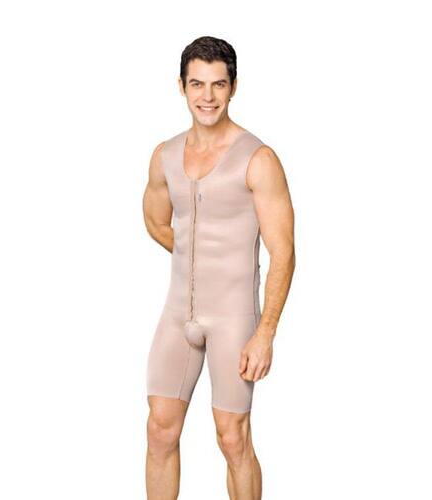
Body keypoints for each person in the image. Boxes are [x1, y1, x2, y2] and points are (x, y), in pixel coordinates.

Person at [142, 35, 295, 500]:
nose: (207, 96)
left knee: (233, 438)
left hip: (233, 320)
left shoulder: (258, 159)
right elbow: (156, 221)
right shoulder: (165, 155)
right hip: (177, 317)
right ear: (181, 86)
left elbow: (284, 252)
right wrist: (197, 258)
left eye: (218, 84)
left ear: (233, 87)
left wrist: (265, 333)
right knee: (160, 430)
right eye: (197, 84)